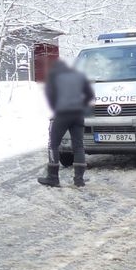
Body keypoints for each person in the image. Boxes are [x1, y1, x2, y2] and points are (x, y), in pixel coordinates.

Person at [38, 58, 95, 187]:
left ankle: (53, 177)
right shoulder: (79, 76)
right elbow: (90, 95)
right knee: (78, 146)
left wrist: (56, 107)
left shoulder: (54, 77)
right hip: (78, 115)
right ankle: (79, 180)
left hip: (62, 114)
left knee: (53, 145)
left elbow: (50, 95)